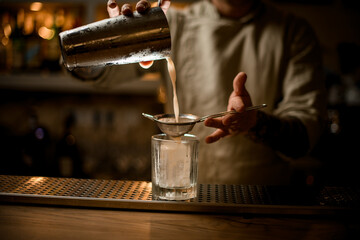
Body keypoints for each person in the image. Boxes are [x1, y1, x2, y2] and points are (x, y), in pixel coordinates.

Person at [72, 0, 327, 185]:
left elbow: (304, 139)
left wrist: (254, 123)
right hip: (181, 198)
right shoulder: (172, 25)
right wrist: (107, 41)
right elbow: (92, 75)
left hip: (262, 203)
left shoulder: (294, 32)